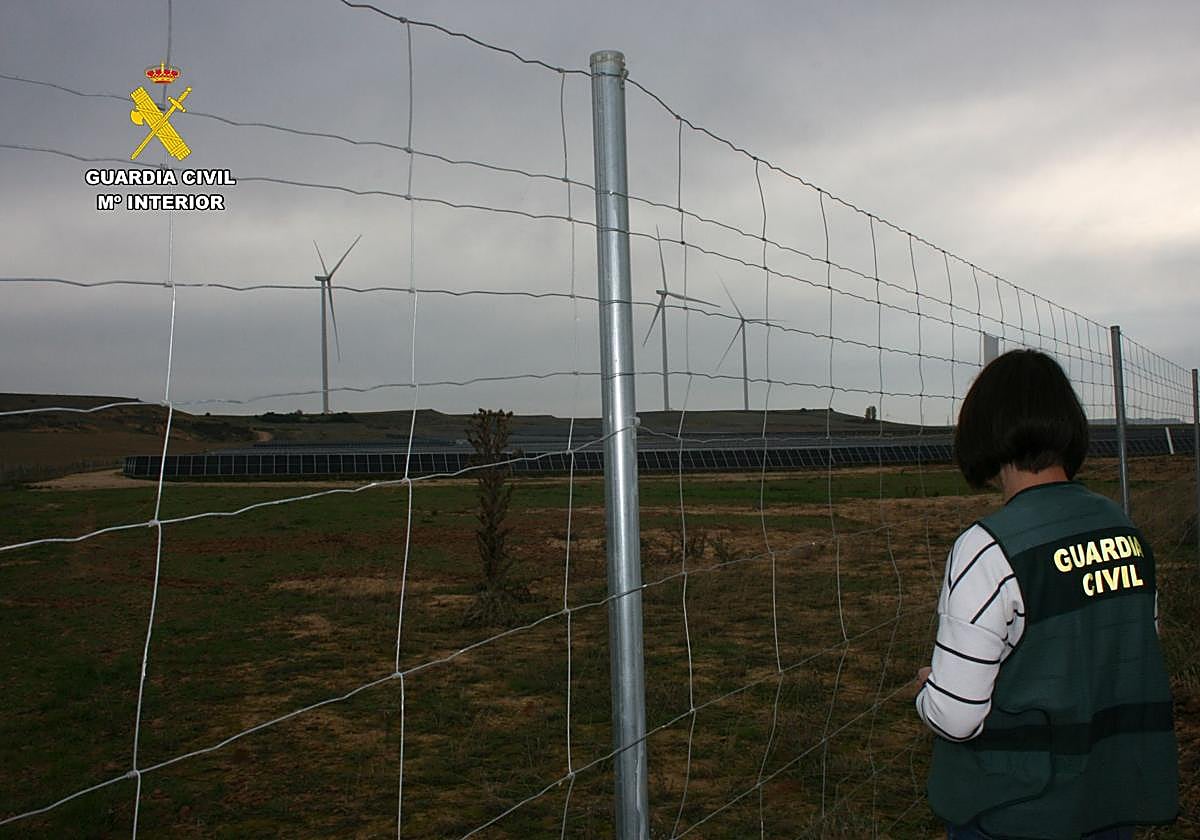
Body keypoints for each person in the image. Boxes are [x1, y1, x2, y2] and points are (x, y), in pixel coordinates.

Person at [914, 349, 1178, 840]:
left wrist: (931, 690)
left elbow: (955, 717)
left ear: (983, 431)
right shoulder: (1126, 531)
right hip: (1106, 802)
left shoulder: (986, 547)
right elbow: (1133, 647)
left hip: (1013, 812)